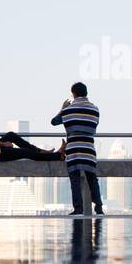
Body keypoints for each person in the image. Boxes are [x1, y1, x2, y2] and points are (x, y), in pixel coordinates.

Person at [51, 82, 103, 216]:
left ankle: (78, 209)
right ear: (86, 93)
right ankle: (99, 208)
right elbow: (94, 125)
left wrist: (62, 109)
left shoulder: (68, 110)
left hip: (73, 148)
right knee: (92, 178)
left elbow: (54, 122)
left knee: (75, 180)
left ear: (73, 93)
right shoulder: (95, 109)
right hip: (89, 148)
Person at [0, 98, 63, 162]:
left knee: (11, 135)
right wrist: (4, 144)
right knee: (27, 152)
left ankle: (41, 151)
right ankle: (58, 156)